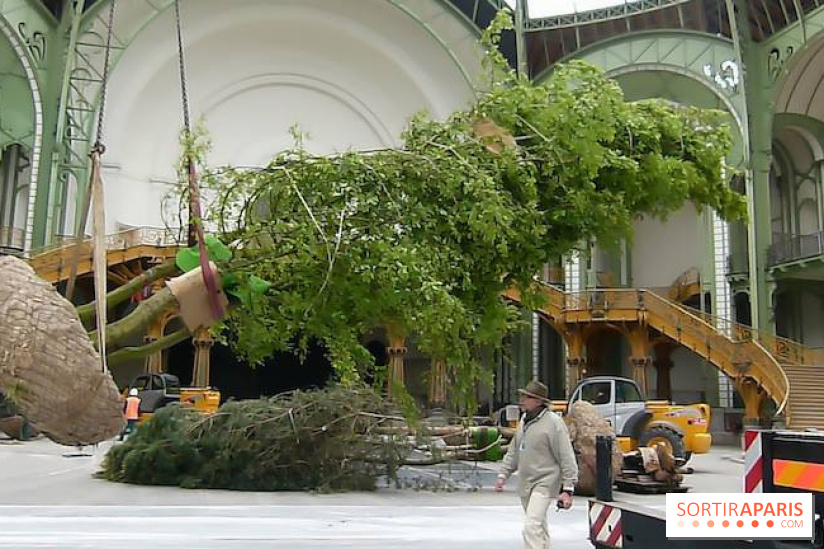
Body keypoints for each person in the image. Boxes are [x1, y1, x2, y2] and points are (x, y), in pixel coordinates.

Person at [494, 379, 579, 549]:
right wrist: (503, 474)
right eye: (523, 396)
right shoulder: (524, 421)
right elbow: (514, 450)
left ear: (539, 402)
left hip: (545, 482)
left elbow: (566, 456)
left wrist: (568, 489)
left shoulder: (554, 423)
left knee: (531, 527)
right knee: (539, 527)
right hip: (526, 482)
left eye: (527, 397)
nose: (522, 400)